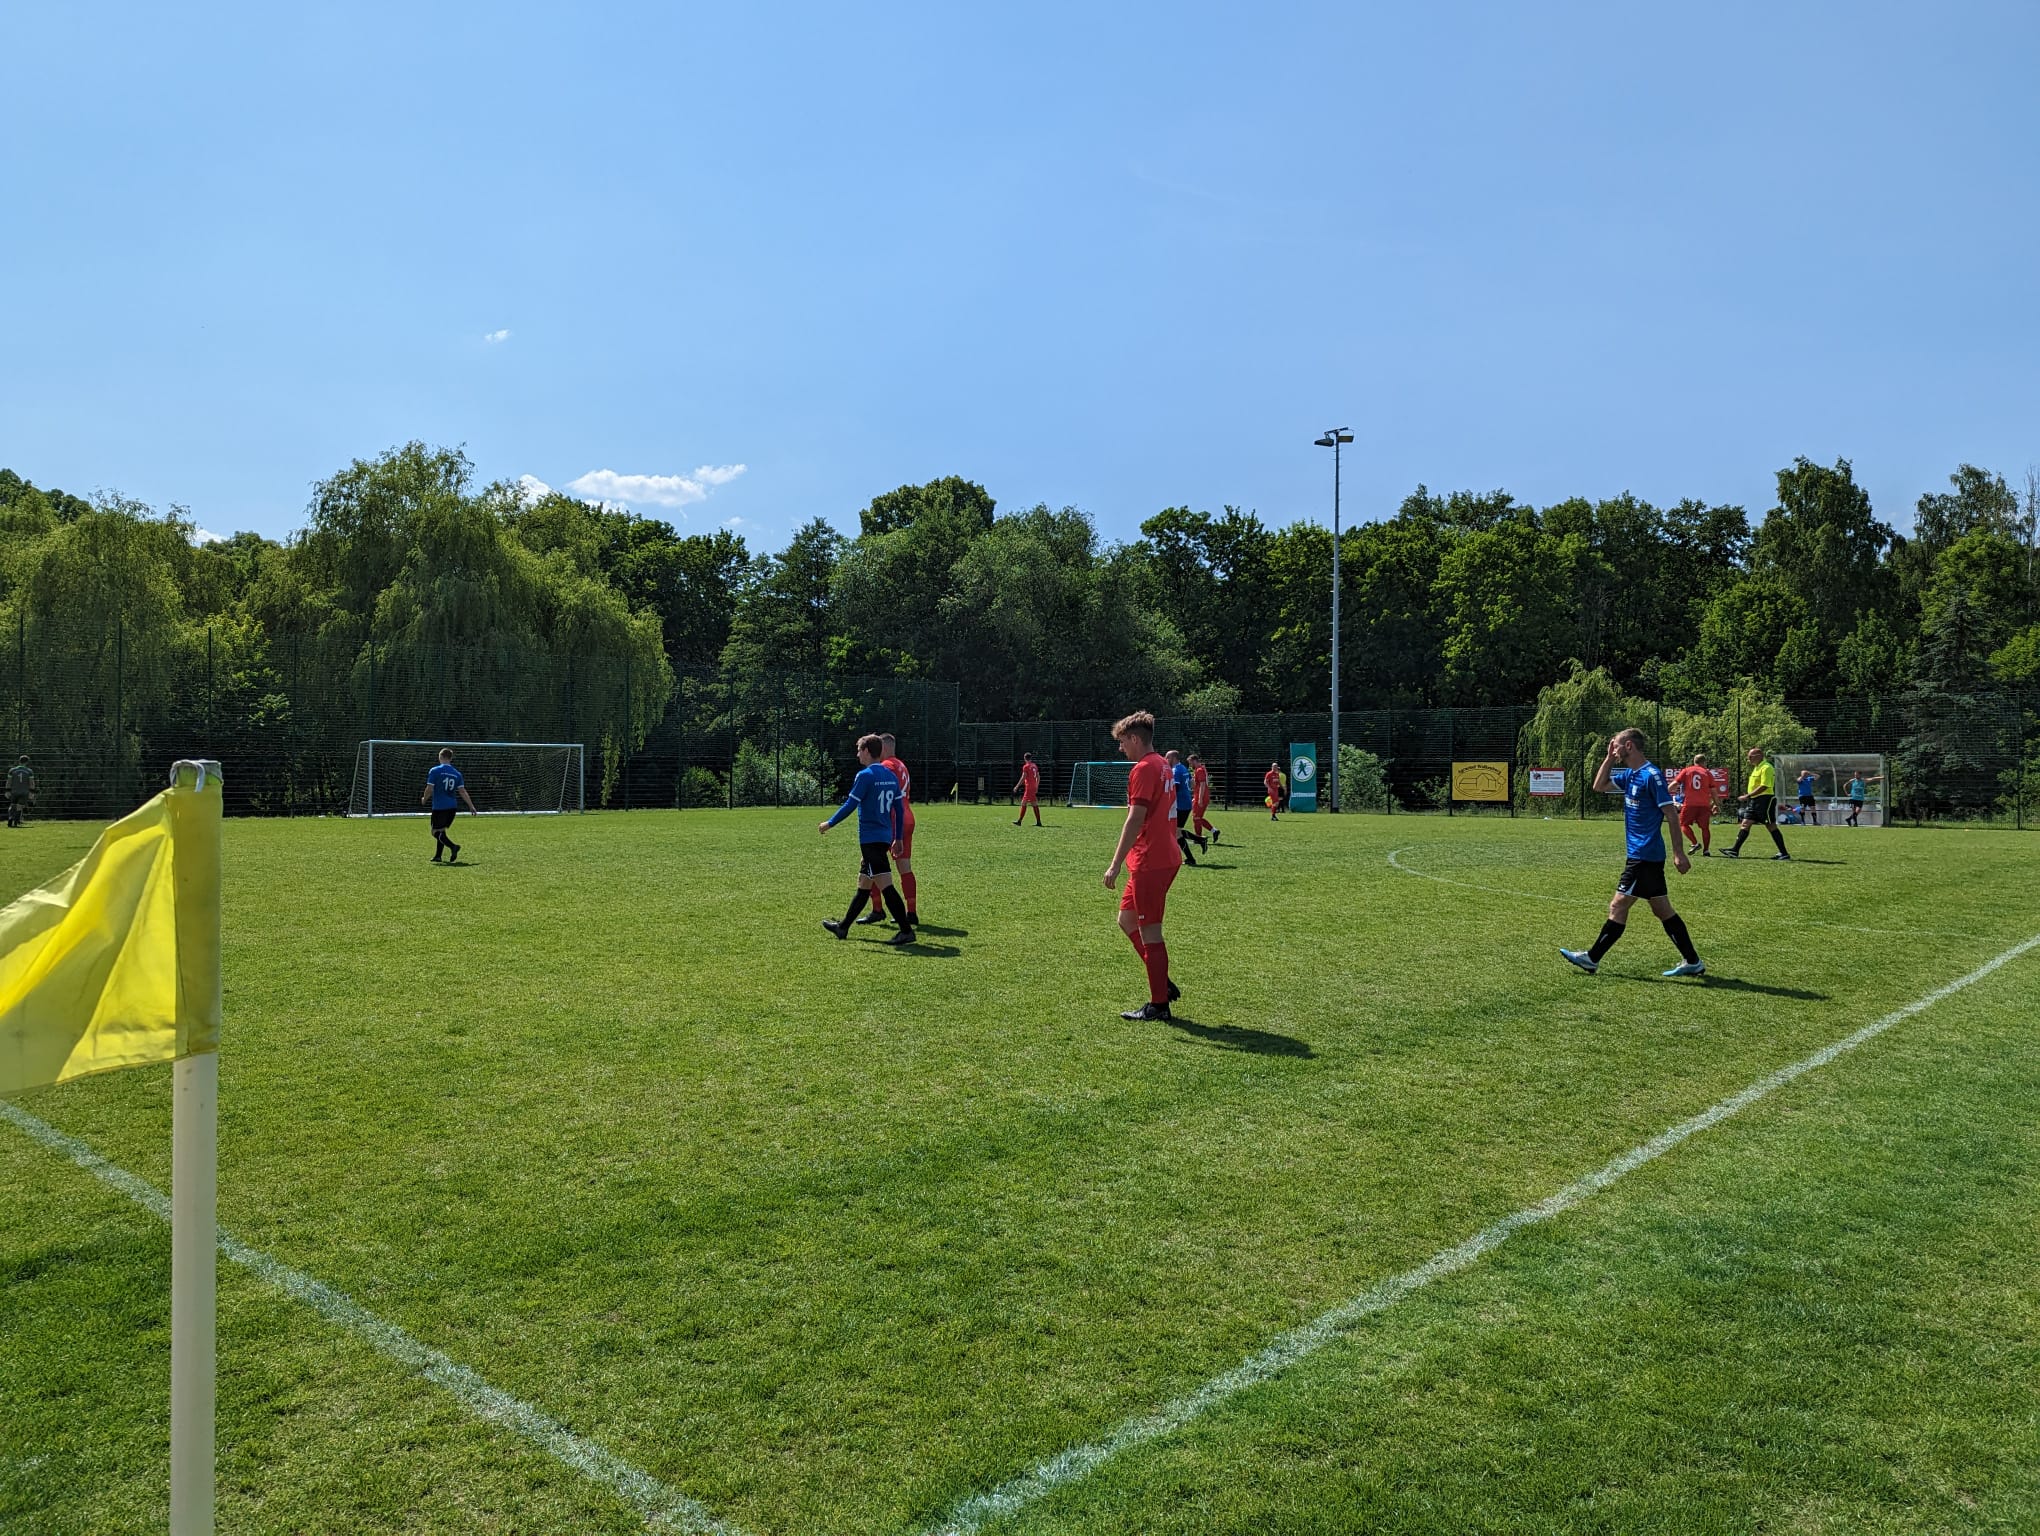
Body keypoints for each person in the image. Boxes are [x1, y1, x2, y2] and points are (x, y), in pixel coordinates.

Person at [1560, 729, 1705, 977]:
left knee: (1618, 904)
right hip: (1642, 854)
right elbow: (1599, 786)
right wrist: (1607, 758)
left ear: (1629, 746)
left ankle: (1592, 958)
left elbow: (1671, 815)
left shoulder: (1652, 776)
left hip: (1644, 855)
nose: (1613, 749)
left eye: (1615, 746)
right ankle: (1692, 961)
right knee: (1662, 909)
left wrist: (1679, 853)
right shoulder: (1629, 775)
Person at [1103, 711, 1183, 1021]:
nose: (1121, 748)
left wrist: (1114, 864)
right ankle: (1159, 980)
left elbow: (1135, 819)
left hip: (1152, 860)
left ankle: (1158, 1005)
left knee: (1150, 931)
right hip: (1162, 855)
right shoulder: (1163, 763)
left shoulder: (1144, 769)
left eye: (1122, 742)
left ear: (1136, 739)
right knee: (1126, 920)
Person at [819, 734, 913, 944]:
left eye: (859, 750)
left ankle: (906, 931)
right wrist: (897, 838)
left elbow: (850, 805)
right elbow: (898, 808)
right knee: (864, 884)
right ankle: (843, 927)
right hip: (884, 837)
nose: (857, 754)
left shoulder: (865, 775)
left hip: (870, 840)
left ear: (868, 752)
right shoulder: (890, 776)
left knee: (886, 886)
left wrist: (829, 823)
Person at [861, 732, 921, 927]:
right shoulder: (901, 765)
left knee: (870, 864)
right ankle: (911, 913)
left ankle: (878, 909)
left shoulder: (886, 766)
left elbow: (881, 795)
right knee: (904, 867)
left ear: (884, 748)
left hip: (891, 820)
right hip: (907, 817)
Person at [1723, 747, 1790, 860]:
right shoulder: (1757, 768)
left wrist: (1747, 796)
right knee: (1745, 823)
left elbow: (1764, 786)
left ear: (1759, 755)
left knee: (1770, 825)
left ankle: (1784, 853)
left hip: (1765, 800)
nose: (1748, 759)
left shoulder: (1766, 767)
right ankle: (1735, 850)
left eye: (1750, 756)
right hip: (1754, 800)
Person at [420, 747, 477, 863]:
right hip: (452, 807)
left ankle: (453, 846)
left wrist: (424, 799)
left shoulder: (435, 770)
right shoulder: (457, 774)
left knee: (435, 832)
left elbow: (429, 789)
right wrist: (471, 806)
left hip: (440, 806)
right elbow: (462, 791)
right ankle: (438, 856)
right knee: (441, 831)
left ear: (440, 757)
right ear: (450, 759)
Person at [1669, 752, 1717, 856]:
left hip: (1690, 803)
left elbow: (1675, 784)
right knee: (1705, 828)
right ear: (1704, 762)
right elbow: (1713, 791)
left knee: (1683, 824)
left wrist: (1664, 792)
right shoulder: (1707, 773)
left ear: (1694, 762)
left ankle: (1695, 843)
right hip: (1704, 804)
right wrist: (1716, 804)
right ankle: (1706, 850)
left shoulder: (1687, 771)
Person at [1166, 749, 1202, 863]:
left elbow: (1175, 788)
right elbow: (1191, 783)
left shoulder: (1176, 770)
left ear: (1173, 758)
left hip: (1180, 805)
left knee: (1175, 832)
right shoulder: (1183, 768)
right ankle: (1197, 844)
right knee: (1175, 831)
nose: (1166, 760)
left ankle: (1191, 857)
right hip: (1185, 803)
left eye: (1167, 758)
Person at [1188, 753, 1218, 844]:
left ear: (1194, 761)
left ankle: (1198, 838)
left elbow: (1202, 785)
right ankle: (1214, 831)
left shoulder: (1200, 770)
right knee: (1197, 817)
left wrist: (1200, 798)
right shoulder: (1200, 769)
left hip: (1201, 797)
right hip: (1200, 796)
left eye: (1190, 763)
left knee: (1196, 818)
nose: (1190, 765)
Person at [1012, 752, 1043, 827]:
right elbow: (1038, 777)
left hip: (1029, 788)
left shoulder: (1026, 766)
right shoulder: (1034, 766)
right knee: (1034, 804)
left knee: (1024, 803)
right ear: (1031, 758)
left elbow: (1023, 777)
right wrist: (1036, 786)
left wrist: (1016, 786)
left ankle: (1019, 821)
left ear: (1024, 758)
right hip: (1033, 787)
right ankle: (1038, 822)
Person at [6, 755, 35, 828]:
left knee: (12, 805)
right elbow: (31, 783)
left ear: (19, 761)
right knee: (19, 806)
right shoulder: (29, 771)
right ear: (27, 762)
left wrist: (7, 791)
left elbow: (9, 782)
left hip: (14, 791)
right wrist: (32, 792)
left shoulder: (12, 770)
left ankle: (10, 818)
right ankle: (16, 822)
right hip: (24, 792)